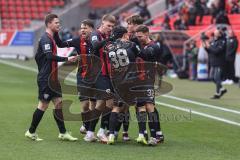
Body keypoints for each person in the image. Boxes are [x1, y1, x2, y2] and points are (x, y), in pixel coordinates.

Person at [25, 14, 78, 141]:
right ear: (49, 24)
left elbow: (60, 44)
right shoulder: (45, 39)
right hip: (46, 78)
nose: (59, 25)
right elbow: (49, 56)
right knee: (43, 105)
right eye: (56, 23)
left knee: (59, 103)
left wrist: (59, 34)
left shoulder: (52, 37)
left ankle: (63, 132)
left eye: (59, 23)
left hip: (53, 77)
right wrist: (67, 59)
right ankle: (31, 131)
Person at [53, 19, 96, 134]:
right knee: (85, 103)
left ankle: (89, 127)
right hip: (82, 76)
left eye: (85, 28)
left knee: (94, 103)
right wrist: (56, 33)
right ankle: (87, 127)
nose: (82, 30)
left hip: (96, 77)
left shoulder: (97, 40)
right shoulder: (77, 41)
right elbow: (61, 44)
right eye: (81, 28)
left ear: (91, 29)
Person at [105, 26, 141, 145]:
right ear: (125, 34)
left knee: (116, 107)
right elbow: (140, 55)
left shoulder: (109, 47)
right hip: (130, 80)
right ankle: (142, 133)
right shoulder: (131, 45)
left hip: (116, 80)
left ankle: (111, 134)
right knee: (136, 107)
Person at [84, 14, 116, 143]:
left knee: (101, 104)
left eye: (112, 26)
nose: (110, 28)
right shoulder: (95, 34)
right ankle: (102, 131)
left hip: (106, 75)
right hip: (98, 74)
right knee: (109, 102)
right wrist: (109, 40)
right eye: (108, 25)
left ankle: (90, 133)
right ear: (102, 23)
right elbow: (96, 46)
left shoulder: (106, 37)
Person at [135, 25, 165, 145]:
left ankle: (154, 137)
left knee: (149, 106)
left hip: (147, 80)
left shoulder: (154, 46)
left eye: (140, 36)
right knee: (140, 107)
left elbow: (146, 55)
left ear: (147, 34)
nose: (138, 38)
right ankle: (144, 134)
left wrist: (134, 48)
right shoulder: (142, 45)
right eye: (137, 37)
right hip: (137, 80)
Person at [203, 29, 227, 99]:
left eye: (216, 33)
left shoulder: (222, 41)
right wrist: (206, 48)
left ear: (220, 34)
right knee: (211, 77)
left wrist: (209, 47)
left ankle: (217, 94)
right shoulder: (214, 41)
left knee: (217, 78)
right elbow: (210, 52)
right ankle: (222, 89)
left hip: (219, 62)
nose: (214, 34)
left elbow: (217, 51)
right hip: (213, 62)